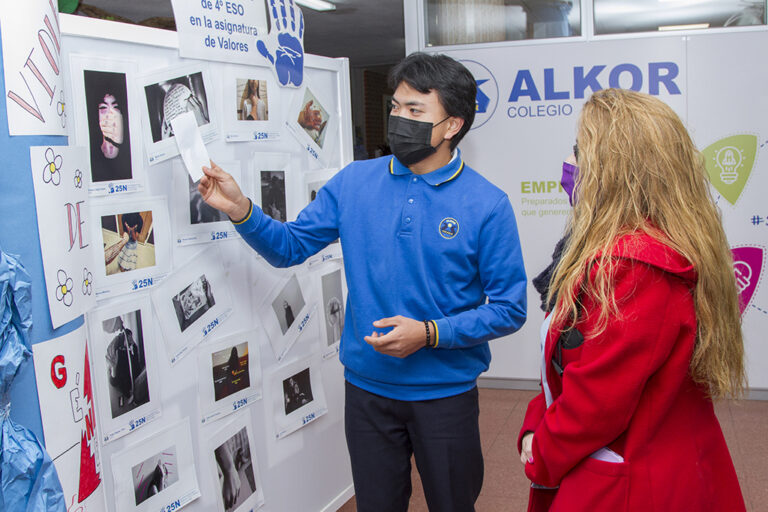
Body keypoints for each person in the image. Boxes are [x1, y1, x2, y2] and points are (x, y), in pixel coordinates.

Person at [198, 52, 527, 511]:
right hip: (368, 393)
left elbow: (510, 308)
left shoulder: (487, 204)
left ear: (452, 126)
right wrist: (240, 209)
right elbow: (289, 247)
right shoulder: (354, 182)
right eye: (395, 107)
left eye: (415, 111)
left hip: (445, 395)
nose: (399, 119)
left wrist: (430, 333)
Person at [518, 88, 746, 511]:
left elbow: (596, 405)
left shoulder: (633, 266)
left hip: (632, 483)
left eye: (581, 153)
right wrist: (537, 423)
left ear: (616, 169)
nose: (572, 168)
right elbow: (568, 370)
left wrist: (540, 452)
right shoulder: (661, 245)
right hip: (658, 458)